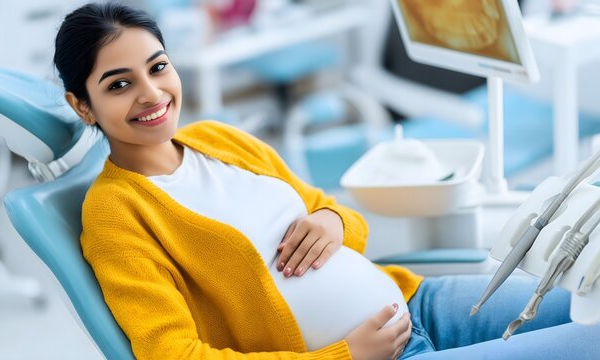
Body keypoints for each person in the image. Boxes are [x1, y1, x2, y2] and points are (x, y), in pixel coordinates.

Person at [53, 2, 600, 359]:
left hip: (419, 304)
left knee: (594, 301)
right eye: (120, 84)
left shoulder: (220, 139)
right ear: (83, 106)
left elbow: (341, 219)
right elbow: (172, 354)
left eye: (159, 66)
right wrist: (345, 356)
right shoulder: (116, 215)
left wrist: (329, 219)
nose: (152, 94)